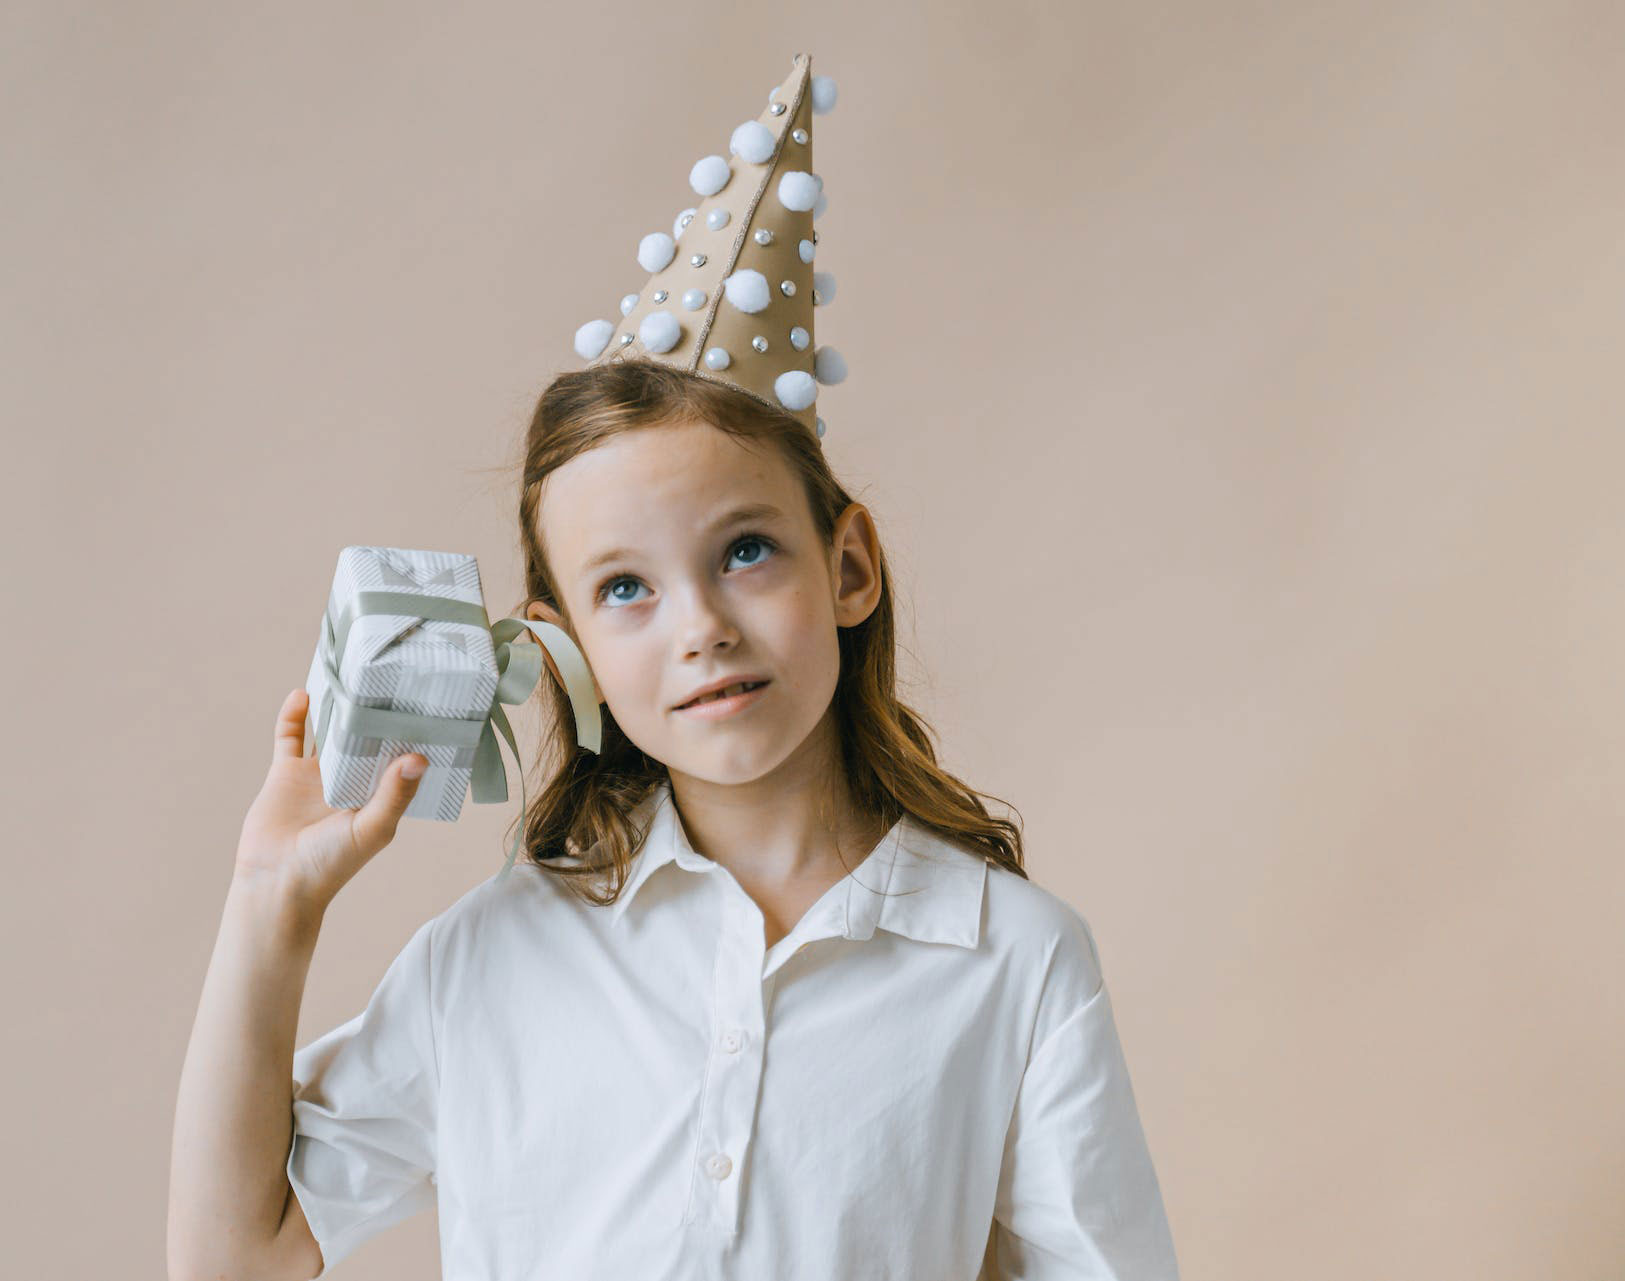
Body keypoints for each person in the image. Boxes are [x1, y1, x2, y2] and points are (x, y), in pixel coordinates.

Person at [168, 53, 1178, 1281]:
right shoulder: (496, 959)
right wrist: (272, 902)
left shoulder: (1013, 962)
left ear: (848, 565)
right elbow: (234, 1257)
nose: (698, 625)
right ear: (562, 644)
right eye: (626, 590)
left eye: (745, 550)